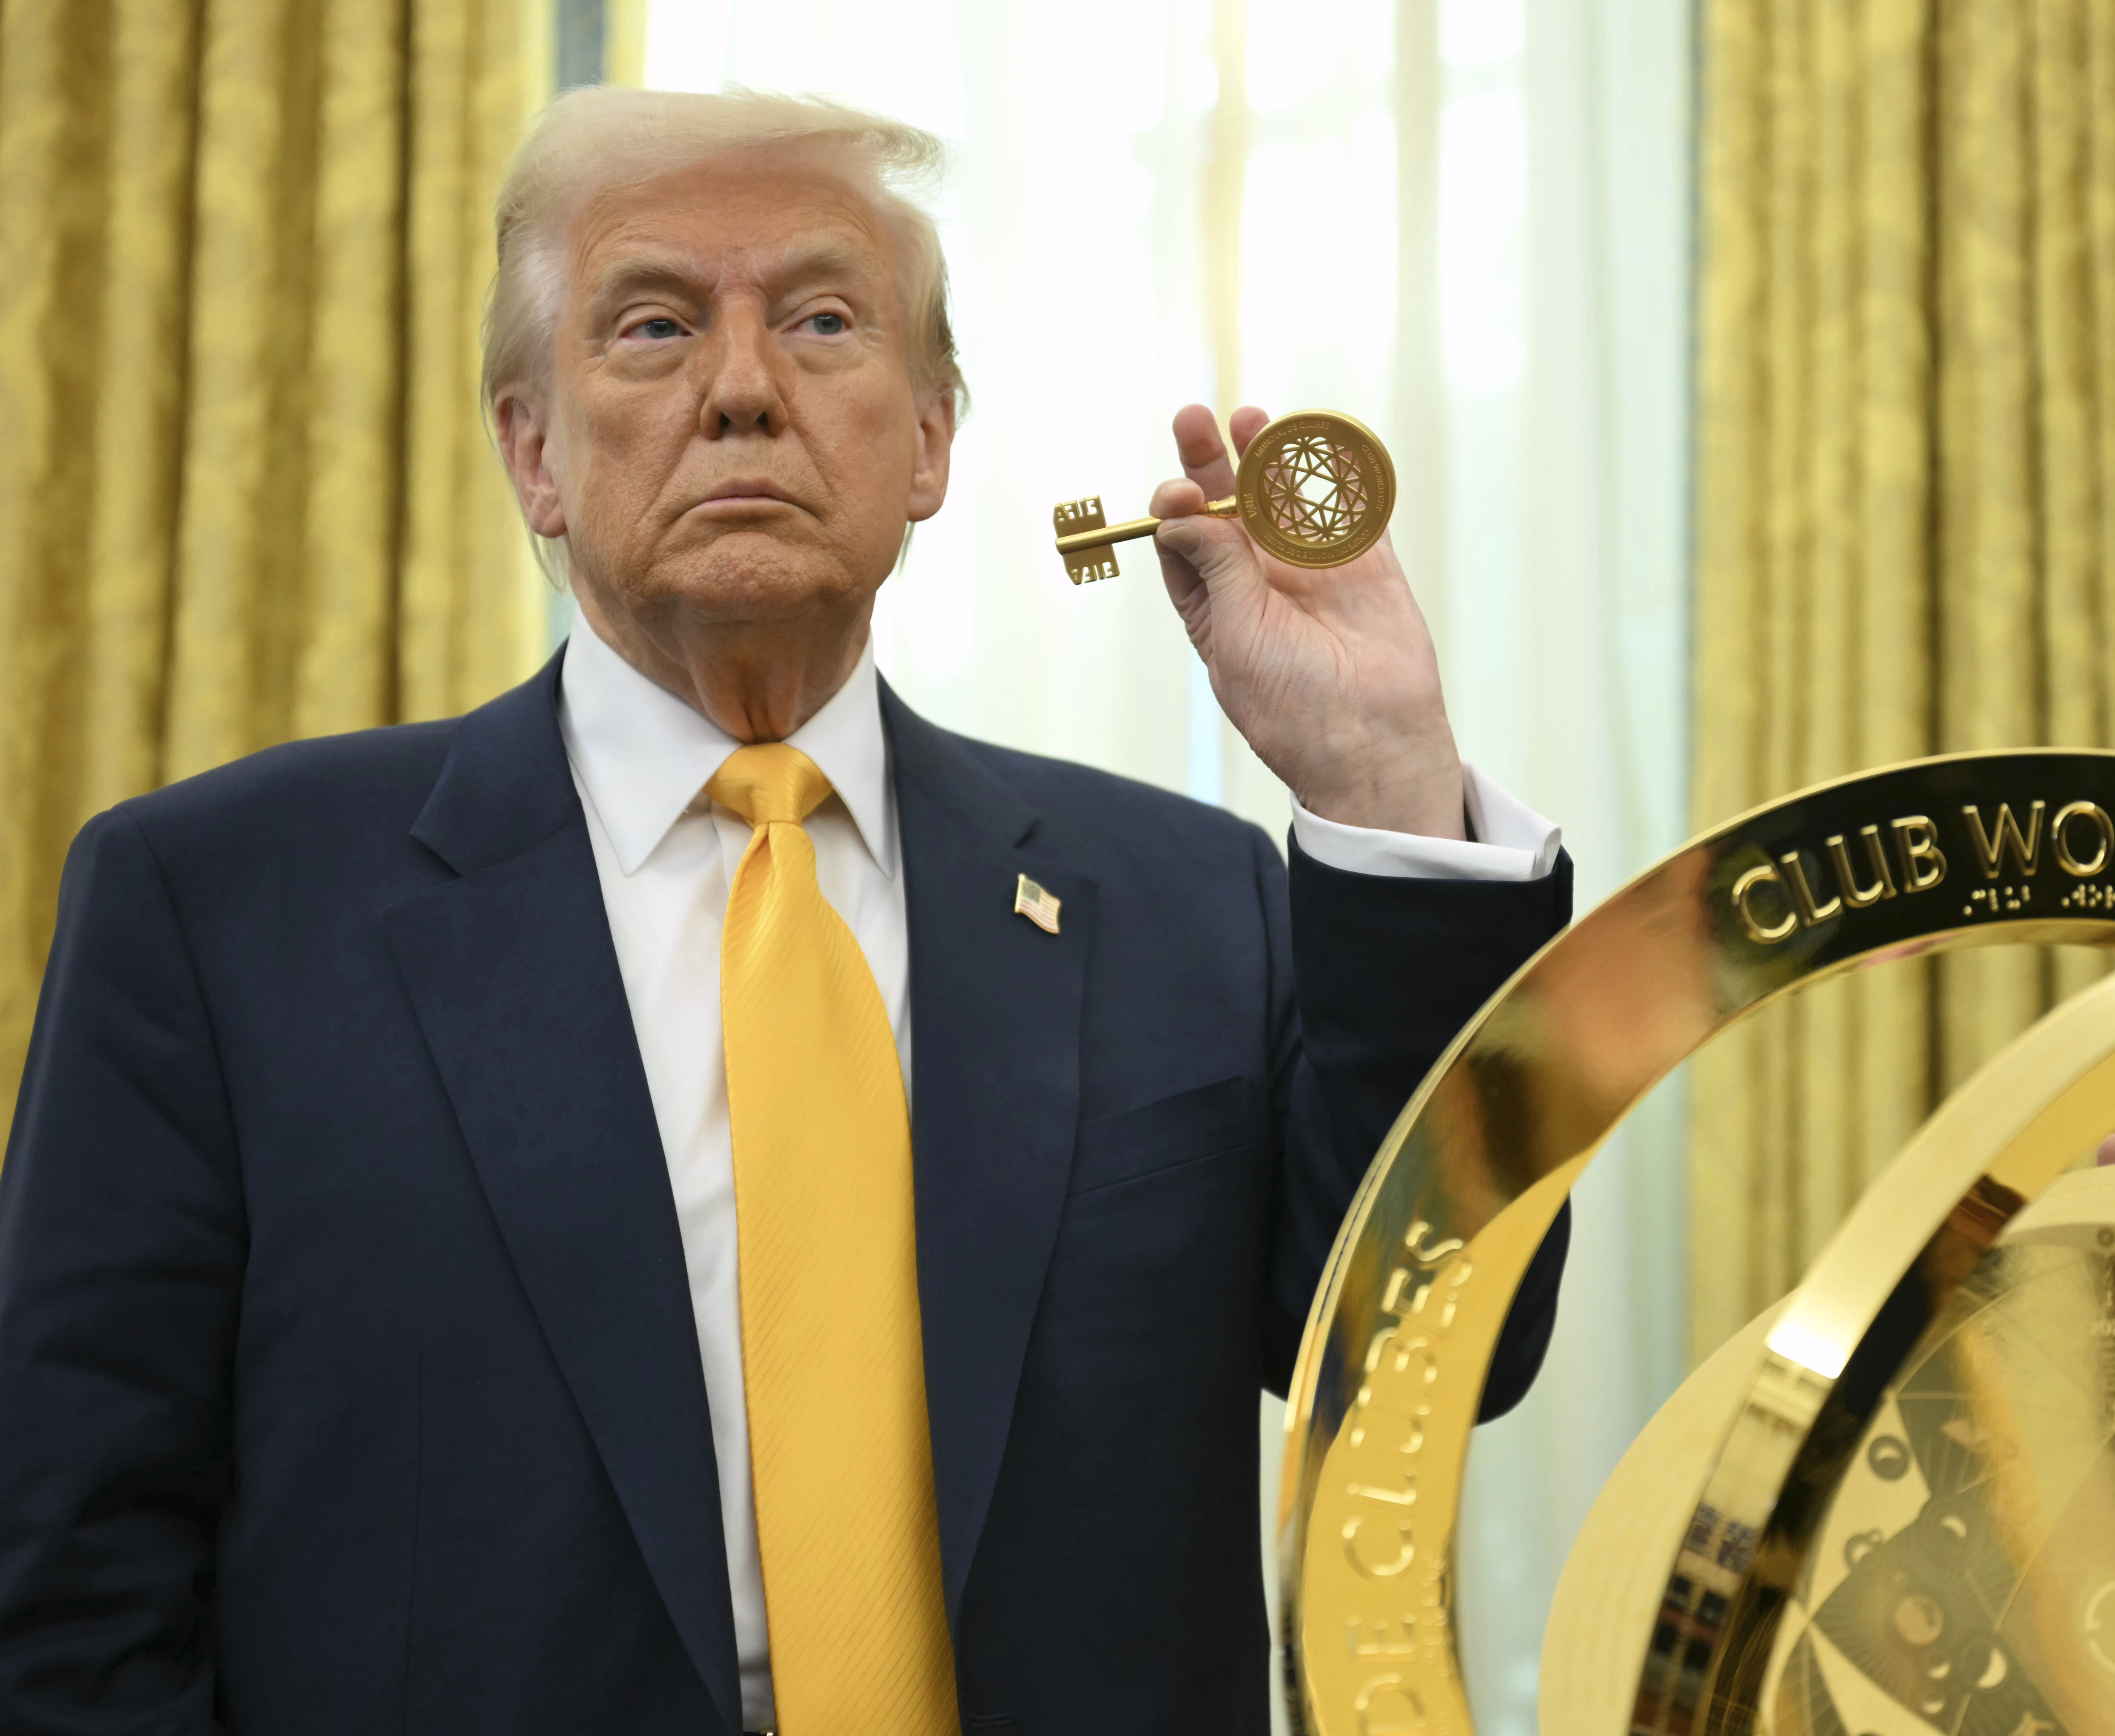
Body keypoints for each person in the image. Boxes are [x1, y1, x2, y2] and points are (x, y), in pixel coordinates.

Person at [0, 88, 1569, 1735]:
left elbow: (1440, 1355)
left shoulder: (1186, 905)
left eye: (822, 321)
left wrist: (1382, 776)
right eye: (655, 325)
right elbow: (69, 1578)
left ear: (930, 442)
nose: (743, 387)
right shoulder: (218, 911)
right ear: (533, 452)